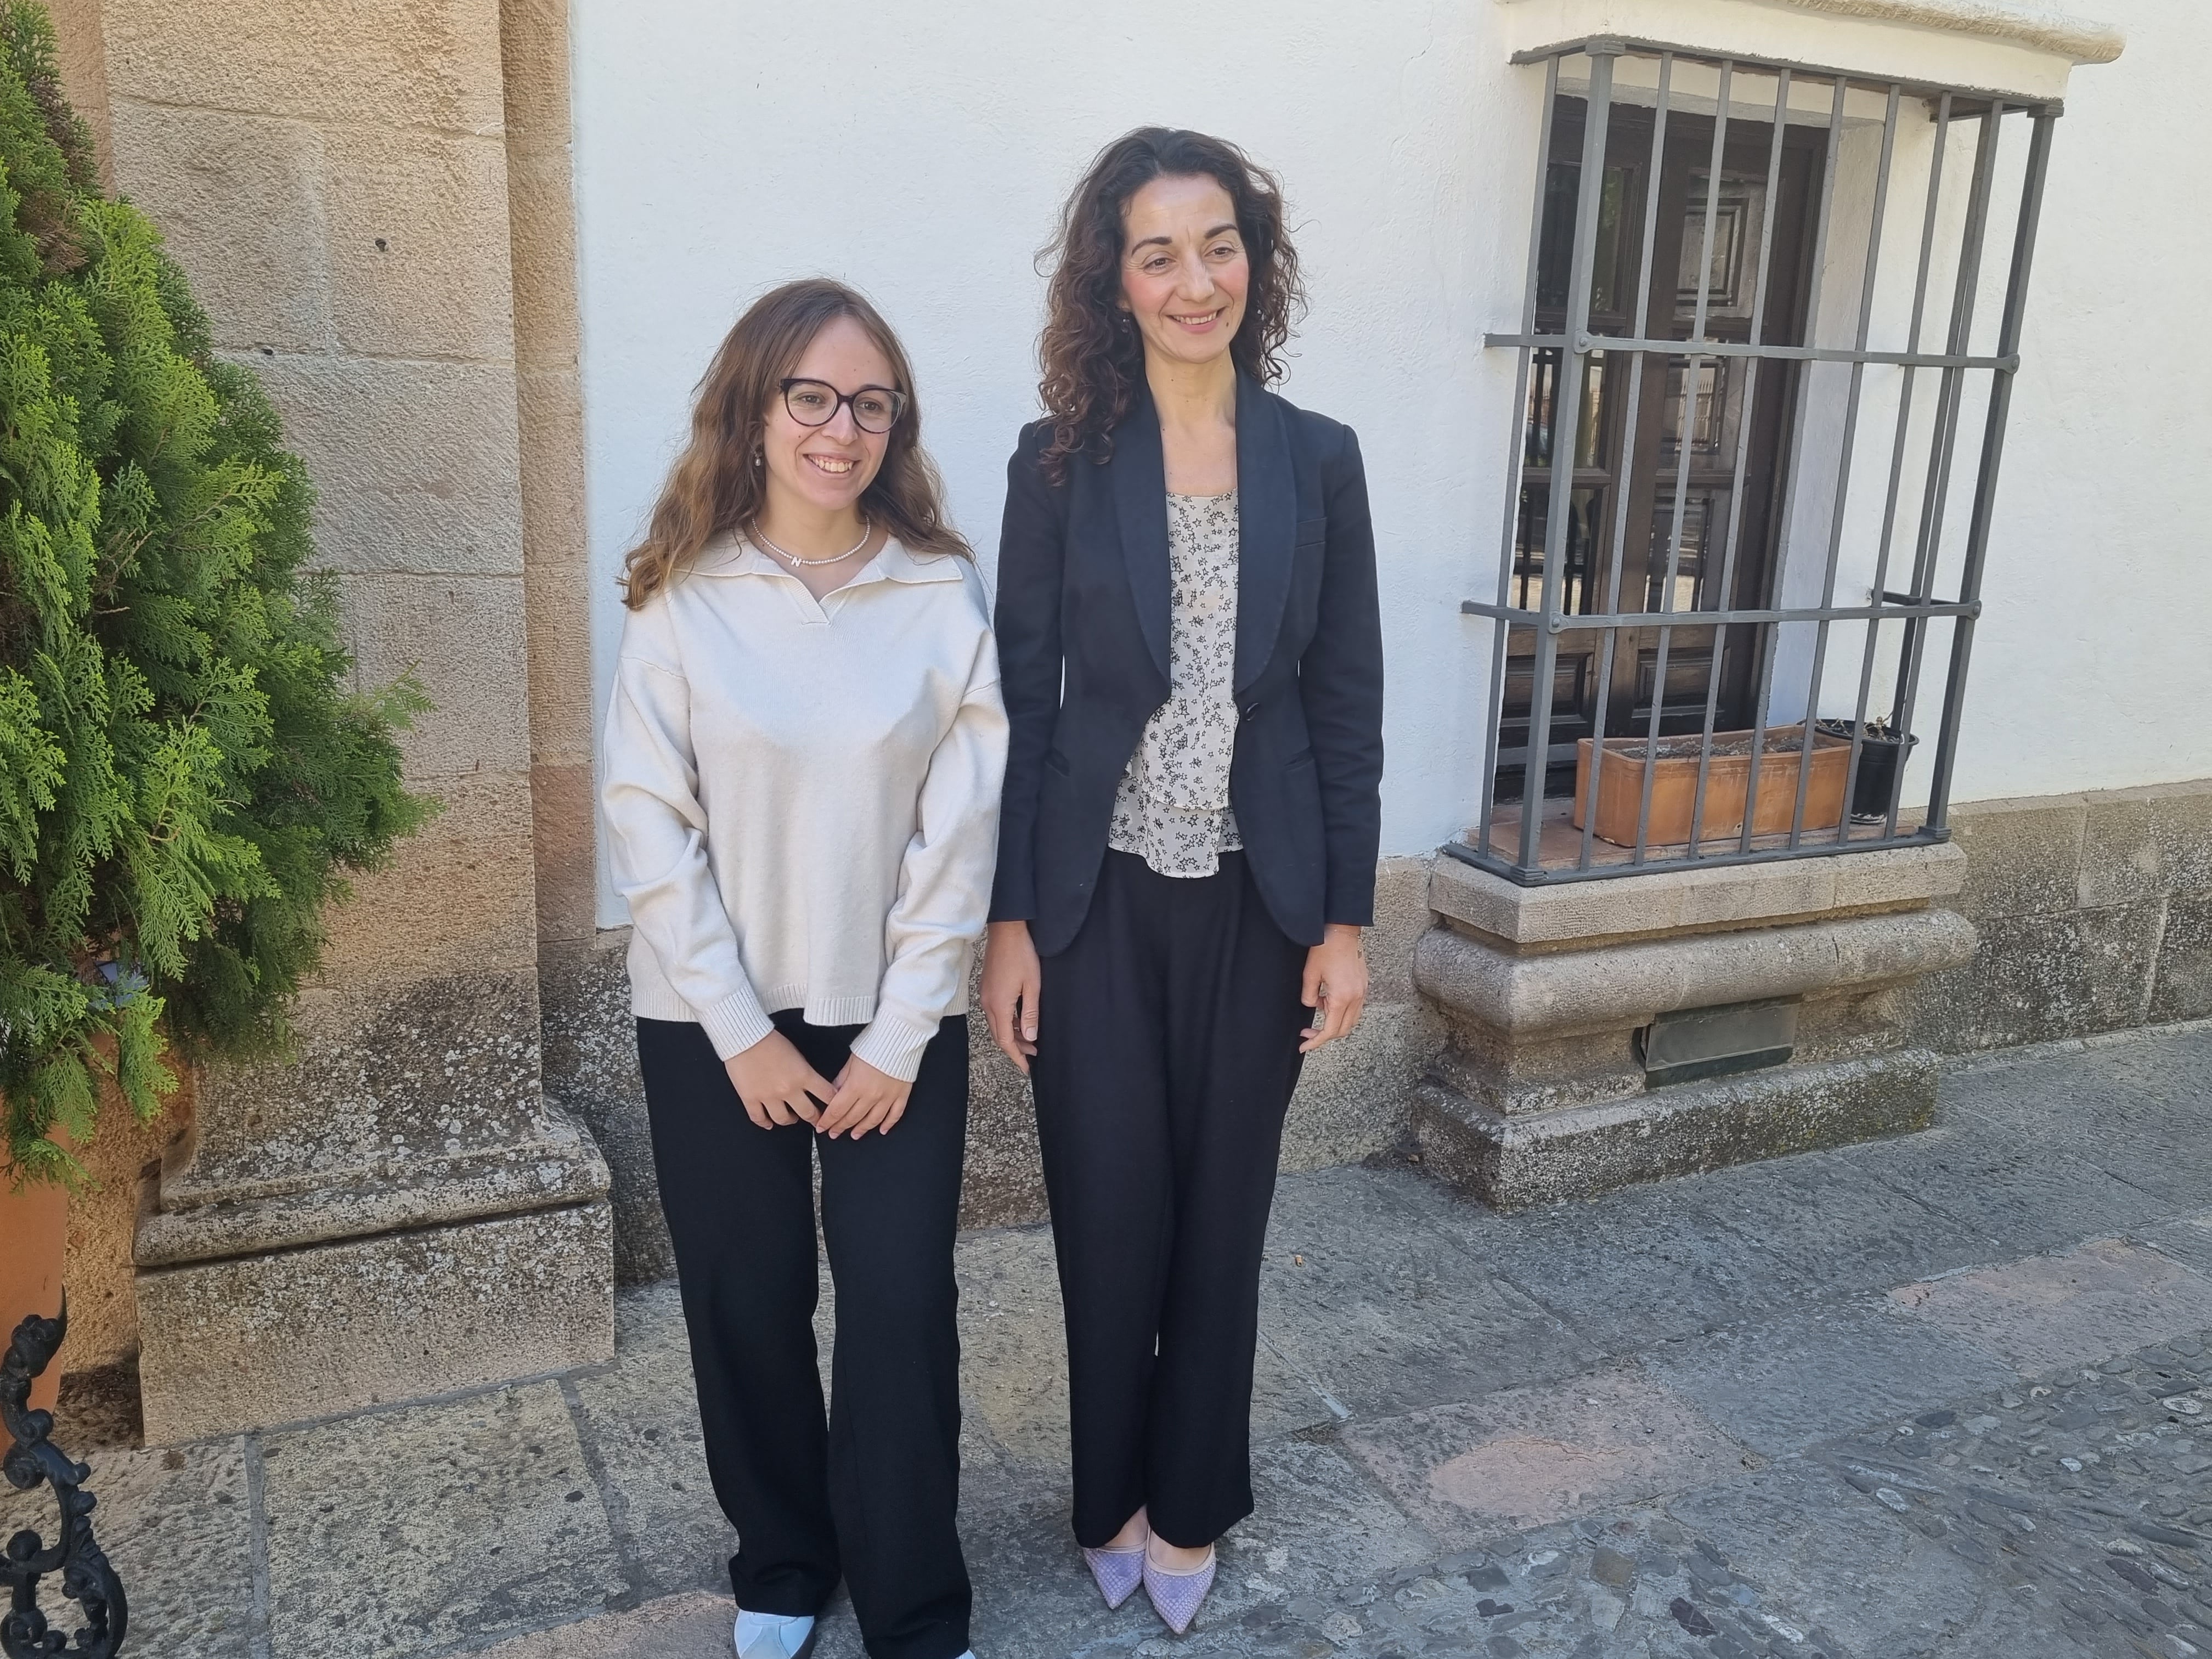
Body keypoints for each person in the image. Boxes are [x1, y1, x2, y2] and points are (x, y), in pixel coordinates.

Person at [980, 129, 1385, 1635]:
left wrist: (1345, 920)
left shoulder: (1319, 458)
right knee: (1109, 1209)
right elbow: (1022, 702)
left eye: (1217, 245)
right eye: (1158, 252)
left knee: (1223, 1213)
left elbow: (1347, 698)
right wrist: (1011, 922)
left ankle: (1193, 1499)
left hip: (1258, 901)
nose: (1193, 277)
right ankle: (1112, 1497)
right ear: (1116, 278)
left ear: (1252, 262)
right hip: (1093, 903)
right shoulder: (1059, 461)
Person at [600, 278, 1005, 1659]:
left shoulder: (941, 592)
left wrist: (897, 1037)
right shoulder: (681, 596)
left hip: (894, 1019)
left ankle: (912, 1593)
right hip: (717, 1022)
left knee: (899, 1301)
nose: (842, 429)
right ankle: (781, 1558)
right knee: (745, 1296)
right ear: (757, 405)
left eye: (871, 404)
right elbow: (649, 826)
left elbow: (962, 835)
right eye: (813, 396)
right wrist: (742, 1030)